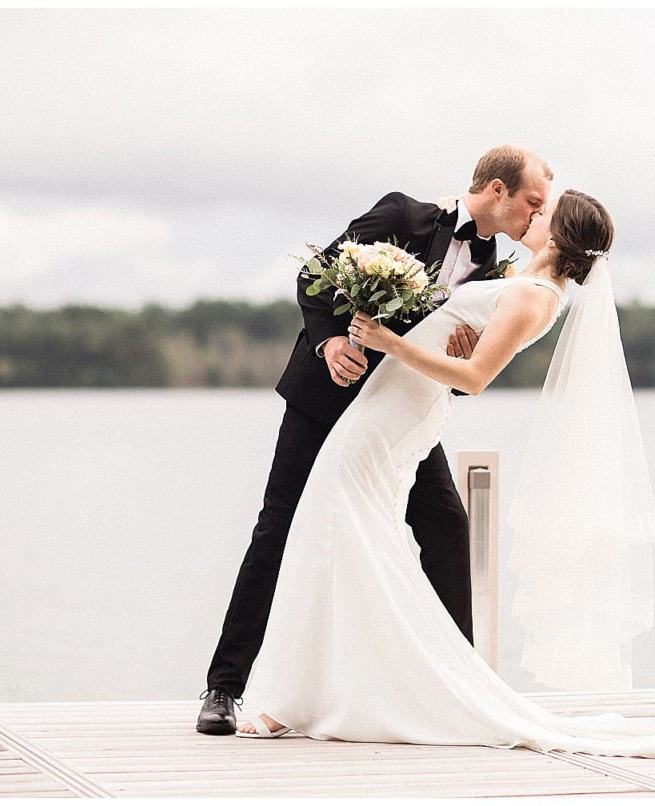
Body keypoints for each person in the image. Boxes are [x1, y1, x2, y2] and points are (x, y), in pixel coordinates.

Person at [235, 190, 655, 758]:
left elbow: (476, 376)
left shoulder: (535, 296)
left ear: (557, 238)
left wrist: (388, 342)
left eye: (544, 215)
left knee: (335, 524)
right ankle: (314, 688)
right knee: (341, 530)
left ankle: (297, 695)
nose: (533, 217)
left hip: (398, 411)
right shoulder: (525, 283)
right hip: (389, 403)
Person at [196, 145, 554, 734]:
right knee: (278, 527)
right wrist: (330, 341)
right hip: (325, 398)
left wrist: (458, 349)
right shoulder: (402, 216)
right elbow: (314, 276)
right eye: (531, 202)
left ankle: (455, 686)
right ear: (496, 190)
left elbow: (464, 364)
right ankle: (223, 687)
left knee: (446, 525)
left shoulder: (497, 272)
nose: (536, 217)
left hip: (397, 415)